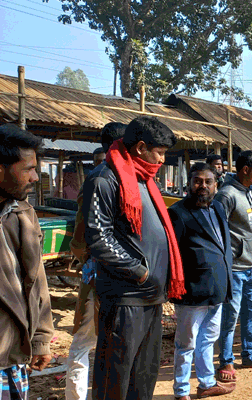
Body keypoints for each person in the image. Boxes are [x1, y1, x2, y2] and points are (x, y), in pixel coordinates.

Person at [84, 116, 185, 400]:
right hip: (125, 296)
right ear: (141, 147)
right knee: (115, 378)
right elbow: (99, 238)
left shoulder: (144, 179)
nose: (163, 160)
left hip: (151, 297)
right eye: (160, 152)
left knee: (144, 377)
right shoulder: (106, 178)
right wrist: (139, 271)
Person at [66, 122, 125, 400]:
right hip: (108, 275)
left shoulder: (97, 179)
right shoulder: (113, 180)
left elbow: (79, 239)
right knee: (97, 341)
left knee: (87, 342)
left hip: (100, 273)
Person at [168, 163, 236, 400]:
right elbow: (171, 254)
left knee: (208, 339)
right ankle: (181, 391)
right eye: (197, 181)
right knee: (185, 344)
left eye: (208, 181)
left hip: (217, 288)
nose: (202, 186)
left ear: (216, 184)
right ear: (189, 183)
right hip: (192, 290)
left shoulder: (217, 207)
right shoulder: (178, 213)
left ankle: (206, 383)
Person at [0, 124, 53, 400]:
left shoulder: (23, 212)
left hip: (14, 355)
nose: (36, 177)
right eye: (28, 169)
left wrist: (41, 339)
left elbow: (36, 281)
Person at [216, 150, 252, 382]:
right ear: (245, 170)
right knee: (230, 316)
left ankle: (250, 355)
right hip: (235, 268)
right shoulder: (227, 195)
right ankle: (226, 360)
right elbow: (218, 231)